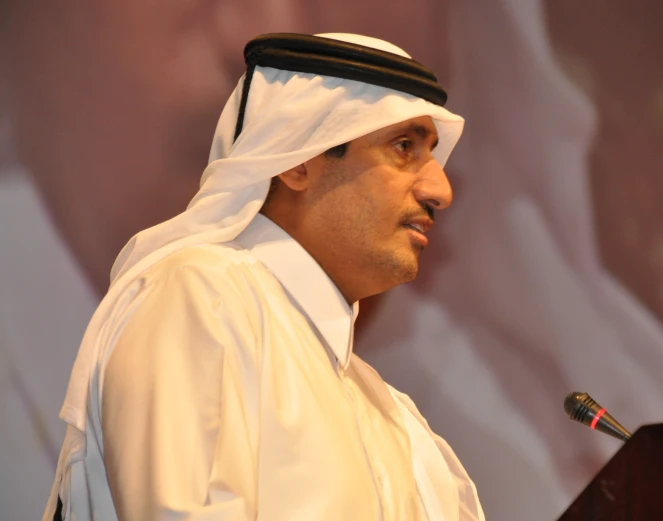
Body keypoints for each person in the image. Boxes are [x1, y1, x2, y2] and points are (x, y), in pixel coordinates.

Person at [42, 32, 484, 521]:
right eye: (403, 147)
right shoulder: (201, 296)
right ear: (299, 161)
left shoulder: (391, 412)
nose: (440, 189)